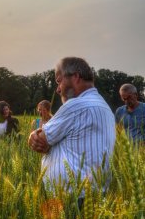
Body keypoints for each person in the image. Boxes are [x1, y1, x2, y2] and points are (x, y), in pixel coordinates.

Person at [28, 57, 116, 192]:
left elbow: (40, 140)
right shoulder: (105, 108)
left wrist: (33, 134)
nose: (57, 89)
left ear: (75, 76)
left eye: (59, 81)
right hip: (96, 194)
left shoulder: (76, 106)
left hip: (72, 197)